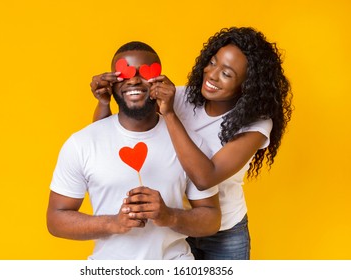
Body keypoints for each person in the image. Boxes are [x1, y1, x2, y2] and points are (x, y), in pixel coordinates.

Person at [92, 27, 293, 260]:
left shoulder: (256, 125)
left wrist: (169, 114)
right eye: (213, 62)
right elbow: (108, 138)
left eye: (227, 74)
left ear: (247, 85)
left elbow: (205, 177)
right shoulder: (181, 97)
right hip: (172, 225)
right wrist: (105, 102)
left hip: (224, 233)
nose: (212, 75)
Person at [47, 41, 221, 260]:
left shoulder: (189, 145)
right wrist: (114, 223)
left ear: (160, 81)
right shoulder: (81, 143)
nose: (135, 79)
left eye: (146, 73)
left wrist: (169, 216)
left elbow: (212, 219)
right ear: (112, 83)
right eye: (125, 73)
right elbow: (56, 219)